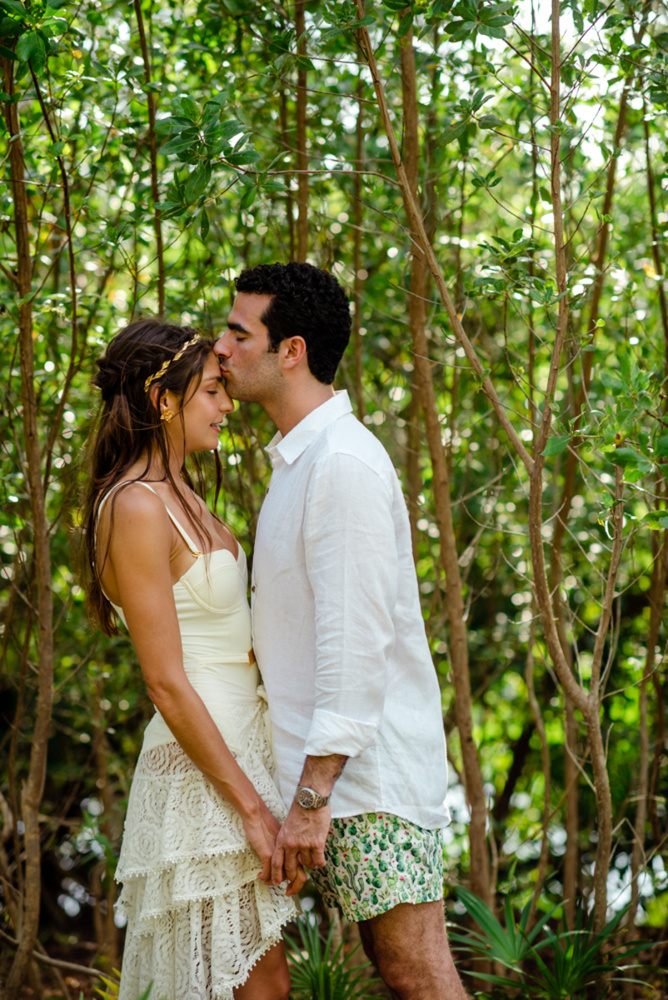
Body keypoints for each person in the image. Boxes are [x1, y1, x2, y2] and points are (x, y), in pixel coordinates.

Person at [214, 262, 470, 1000]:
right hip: (330, 781)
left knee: (416, 972)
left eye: (238, 333)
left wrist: (311, 799)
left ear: (289, 350)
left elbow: (357, 647)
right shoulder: (301, 461)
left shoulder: (343, 464)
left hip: (367, 783)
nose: (221, 350)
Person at [82, 318, 303, 1000]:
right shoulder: (135, 507)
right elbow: (165, 681)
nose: (228, 405)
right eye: (212, 390)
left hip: (240, 758)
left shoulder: (184, 497)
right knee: (259, 988)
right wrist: (248, 808)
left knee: (253, 985)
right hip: (204, 780)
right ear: (162, 398)